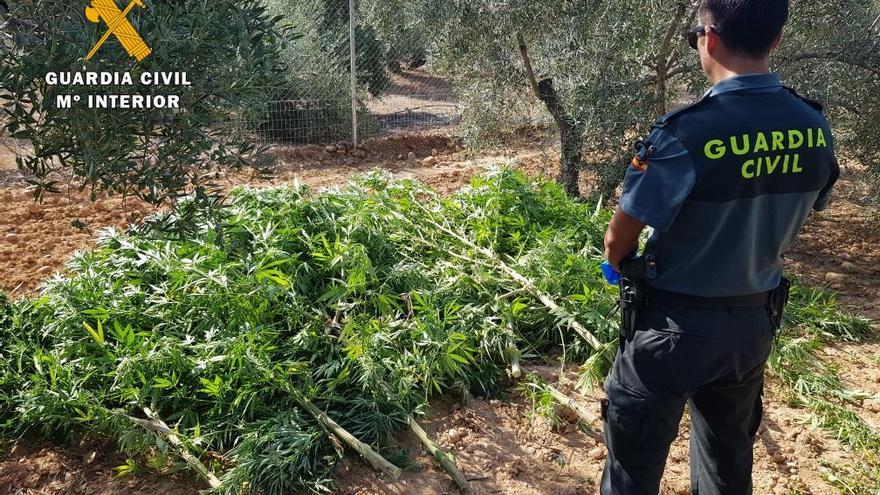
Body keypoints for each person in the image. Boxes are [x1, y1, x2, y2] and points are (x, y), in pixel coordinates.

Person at [600, 0, 839, 493]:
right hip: (752, 327)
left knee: (632, 468)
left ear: (708, 37)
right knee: (727, 464)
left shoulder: (688, 131)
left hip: (671, 330)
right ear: (775, 40)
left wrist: (617, 265)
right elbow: (812, 204)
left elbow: (620, 236)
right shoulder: (814, 127)